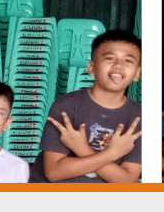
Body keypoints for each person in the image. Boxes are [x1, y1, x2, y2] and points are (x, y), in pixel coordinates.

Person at [40, 31, 142, 182]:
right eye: (109, 58)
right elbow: (54, 172)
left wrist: (81, 148)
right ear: (91, 67)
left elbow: (126, 181)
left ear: (137, 73)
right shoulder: (66, 105)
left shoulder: (140, 116)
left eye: (128, 60)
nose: (118, 65)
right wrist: (112, 154)